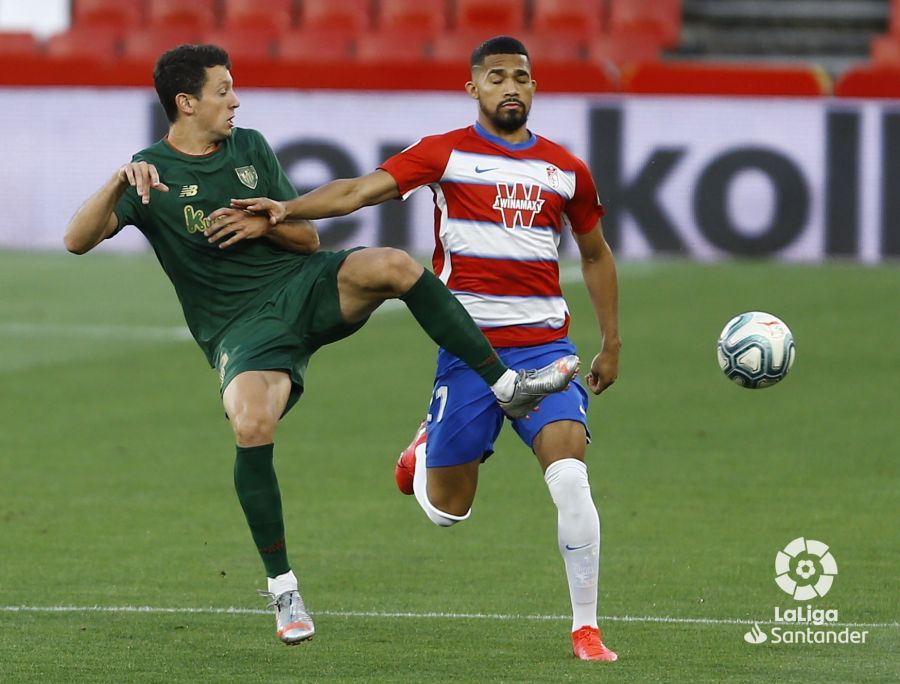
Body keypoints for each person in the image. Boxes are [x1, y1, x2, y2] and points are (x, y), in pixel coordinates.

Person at [63, 44, 581, 647]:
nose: (235, 100)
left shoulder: (249, 147)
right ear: (187, 103)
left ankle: (504, 385)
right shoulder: (148, 175)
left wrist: (267, 222)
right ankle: (284, 588)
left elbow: (308, 240)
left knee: (393, 265)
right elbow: (77, 240)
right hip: (240, 328)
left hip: (302, 287)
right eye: (223, 90)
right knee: (252, 424)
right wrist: (117, 178)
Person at [218, 36, 621, 661]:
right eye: (496, 78)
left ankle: (586, 628)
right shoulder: (445, 153)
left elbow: (595, 253)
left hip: (547, 350)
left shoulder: (566, 170)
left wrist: (611, 343)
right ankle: (426, 446)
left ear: (534, 87)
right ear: (474, 89)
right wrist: (284, 209)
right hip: (469, 352)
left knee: (570, 478)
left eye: (522, 77)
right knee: (446, 511)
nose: (511, 87)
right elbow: (357, 192)